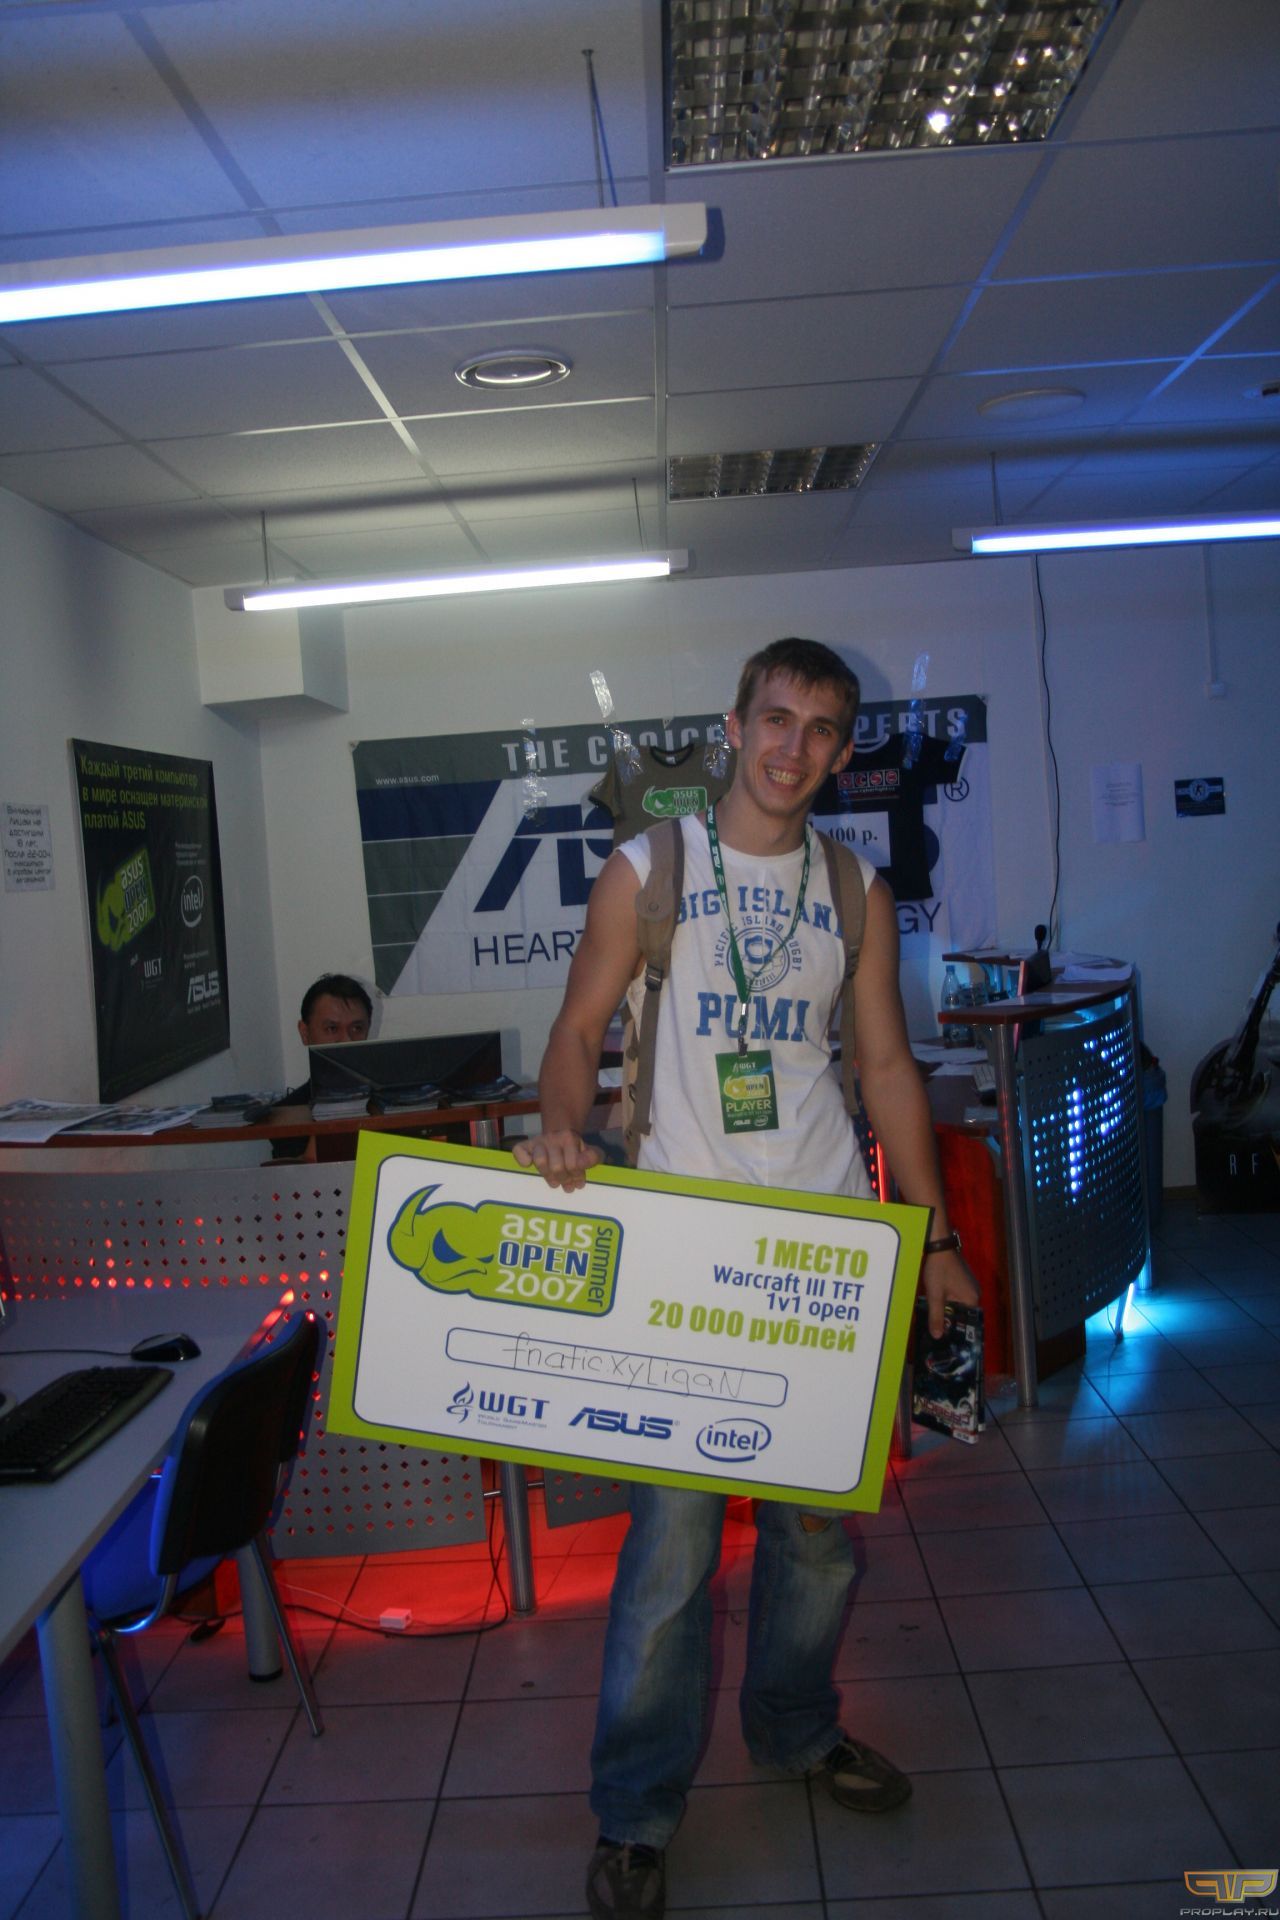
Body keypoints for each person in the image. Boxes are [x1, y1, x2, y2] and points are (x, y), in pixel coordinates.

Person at [513, 638, 978, 1920]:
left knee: (814, 1542)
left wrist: (933, 1241)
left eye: (820, 730)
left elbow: (883, 1070)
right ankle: (634, 1810)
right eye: (775, 720)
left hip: (822, 1257)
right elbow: (576, 1030)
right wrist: (561, 1125)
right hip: (684, 1256)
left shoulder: (853, 887)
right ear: (732, 726)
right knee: (668, 1554)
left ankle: (794, 1729)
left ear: (840, 750)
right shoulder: (647, 868)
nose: (792, 749)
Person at [271, 973, 374, 1160]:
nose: (347, 1040)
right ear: (305, 1033)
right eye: (332, 1029)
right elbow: (303, 1174)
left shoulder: (394, 1101)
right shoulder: (287, 1113)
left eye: (357, 1028)